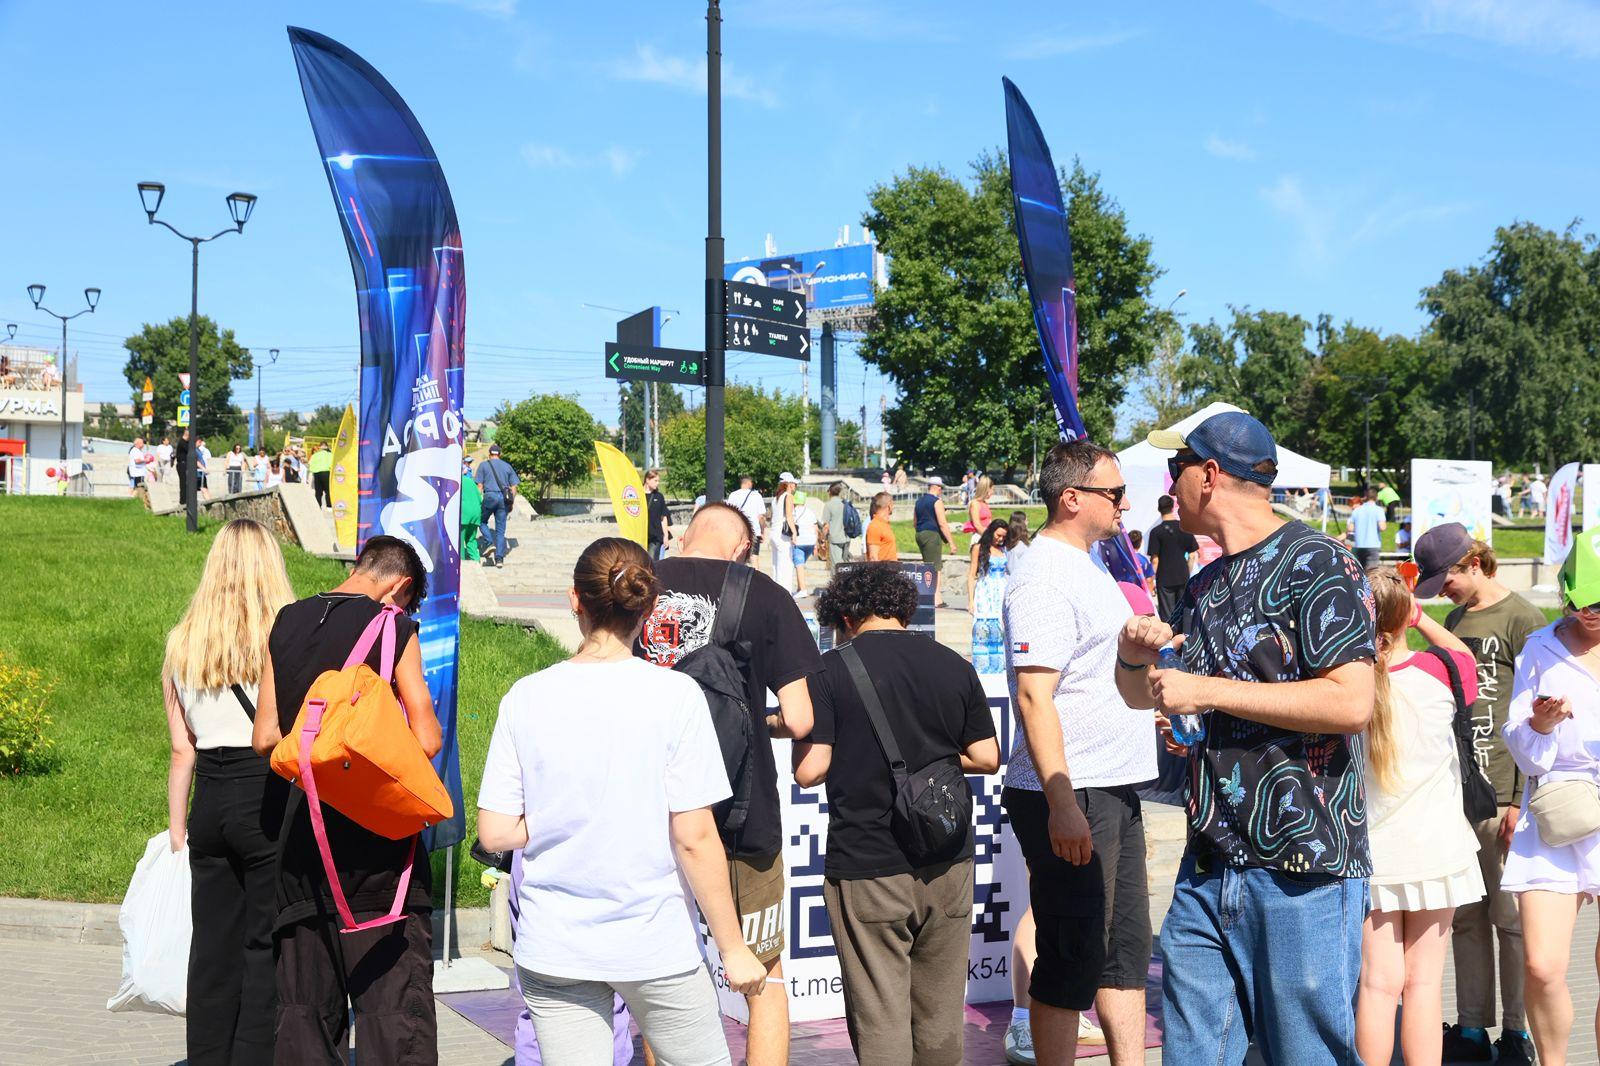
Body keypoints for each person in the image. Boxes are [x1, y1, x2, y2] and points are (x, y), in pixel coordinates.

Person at [1119, 410, 1377, 1064]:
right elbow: (1143, 698)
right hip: (1208, 864)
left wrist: (1206, 691)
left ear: (1209, 475)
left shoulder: (1318, 562)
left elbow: (1352, 702)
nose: (1169, 484)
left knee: (1305, 1055)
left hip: (1303, 868)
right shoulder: (1204, 585)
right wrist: (1134, 657)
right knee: (1191, 1054)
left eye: (1178, 469)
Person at [477, 537, 767, 1064]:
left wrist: (550, 818)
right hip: (654, 939)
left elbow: (496, 832)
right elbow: (695, 836)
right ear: (650, 609)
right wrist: (732, 948)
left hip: (555, 941)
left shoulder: (526, 696)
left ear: (574, 600)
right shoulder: (675, 696)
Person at [635, 502, 821, 1066]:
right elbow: (800, 718)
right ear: (743, 545)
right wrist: (755, 719)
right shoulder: (764, 595)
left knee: (659, 974)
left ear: (684, 533)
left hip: (647, 808)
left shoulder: (634, 584)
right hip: (742, 812)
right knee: (763, 973)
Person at [793, 563, 1000, 1065]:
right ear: (905, 609)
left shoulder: (829, 670)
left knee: (879, 1010)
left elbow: (810, 771)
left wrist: (798, 733)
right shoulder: (954, 665)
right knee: (940, 1010)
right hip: (947, 859)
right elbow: (988, 756)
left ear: (844, 614)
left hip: (868, 863)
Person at [250, 536, 444, 1064]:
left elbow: (266, 736)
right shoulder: (392, 625)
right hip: (378, 852)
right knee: (393, 1019)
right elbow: (426, 739)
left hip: (302, 851)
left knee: (304, 1020)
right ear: (399, 587)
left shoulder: (285, 621)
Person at [1003, 439, 1155, 1064]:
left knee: (1122, 953)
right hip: (1070, 790)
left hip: (1111, 784)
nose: (1126, 504)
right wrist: (1063, 804)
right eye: (1115, 493)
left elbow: (1097, 676)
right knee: (1072, 955)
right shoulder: (1041, 575)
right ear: (1072, 499)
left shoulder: (1088, 563)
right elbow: (1033, 698)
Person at [163, 519, 295, 1066]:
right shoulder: (286, 637)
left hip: (209, 803)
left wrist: (178, 830)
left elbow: (181, 749)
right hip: (266, 794)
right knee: (265, 944)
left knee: (211, 950)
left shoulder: (183, 643)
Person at [1422, 525, 1545, 1063]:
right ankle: (1473, 1027)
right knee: (1466, 917)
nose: (1440, 590)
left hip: (1503, 796)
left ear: (1473, 561)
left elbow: (1541, 718)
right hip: (1458, 794)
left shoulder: (1523, 619)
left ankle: (1516, 1031)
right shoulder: (1452, 621)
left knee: (1510, 919)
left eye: (1445, 576)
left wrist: (1522, 798)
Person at [1355, 566, 1486, 1066]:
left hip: (1371, 854)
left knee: (1377, 984)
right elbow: (1463, 654)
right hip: (1437, 850)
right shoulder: (1444, 672)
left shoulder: (1345, 684)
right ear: (1406, 615)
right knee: (1424, 982)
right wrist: (1420, 615)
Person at [1499, 538, 1600, 1065]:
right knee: (1541, 964)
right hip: (1556, 807)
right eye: (1583, 606)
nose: (1592, 617)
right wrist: (1539, 725)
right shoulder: (1540, 646)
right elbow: (1522, 744)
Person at [966, 518, 1011, 675]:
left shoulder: (1004, 550)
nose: (1000, 539)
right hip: (985, 591)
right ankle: (982, 667)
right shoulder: (979, 548)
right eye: (998, 535)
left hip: (1001, 590)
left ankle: (1000, 667)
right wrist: (971, 600)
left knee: (1001, 628)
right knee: (984, 628)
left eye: (1003, 536)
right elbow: (972, 575)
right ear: (991, 532)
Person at [1145, 495, 1196, 622]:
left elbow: (1155, 559)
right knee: (1184, 612)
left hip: (1164, 577)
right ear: (1173, 508)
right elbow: (1192, 555)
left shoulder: (1156, 532)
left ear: (1159, 509)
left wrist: (1152, 578)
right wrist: (1187, 572)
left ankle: (1169, 640)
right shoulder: (1185, 528)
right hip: (1183, 575)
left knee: (1168, 616)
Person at [914, 476, 956, 608]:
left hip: (920, 534)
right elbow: (942, 523)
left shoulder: (919, 501)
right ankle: (936, 598)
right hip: (932, 535)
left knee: (928, 565)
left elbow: (915, 522)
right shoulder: (936, 501)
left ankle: (929, 596)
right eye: (941, 488)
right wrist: (951, 542)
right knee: (935, 567)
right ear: (937, 487)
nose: (941, 490)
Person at [476, 443, 520, 567]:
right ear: (499, 454)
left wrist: (477, 502)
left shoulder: (484, 465)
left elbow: (479, 486)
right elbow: (514, 486)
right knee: (500, 530)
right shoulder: (507, 466)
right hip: (503, 499)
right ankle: (499, 559)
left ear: (490, 454)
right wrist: (511, 502)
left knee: (480, 520)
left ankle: (489, 542)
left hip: (489, 497)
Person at [769, 471, 799, 594]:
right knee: (786, 566)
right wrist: (794, 532)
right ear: (789, 484)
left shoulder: (776, 498)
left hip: (774, 533)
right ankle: (785, 594)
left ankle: (775, 593)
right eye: (794, 483)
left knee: (776, 565)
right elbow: (789, 516)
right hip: (783, 536)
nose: (795, 486)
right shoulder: (788, 496)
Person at [728, 475, 766, 563]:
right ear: (748, 483)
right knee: (754, 558)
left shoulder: (733, 495)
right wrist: (762, 531)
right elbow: (761, 517)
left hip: (737, 532)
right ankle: (754, 576)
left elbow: (730, 514)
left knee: (737, 556)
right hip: (753, 531)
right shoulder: (756, 496)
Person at [1349, 486, 1387, 569]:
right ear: (1376, 497)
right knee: (1371, 572)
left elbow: (1350, 528)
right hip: (1373, 545)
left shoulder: (1357, 510)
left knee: (1359, 571)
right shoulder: (1379, 510)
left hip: (1358, 544)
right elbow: (1382, 527)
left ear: (1365, 497)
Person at [821, 481, 854, 573]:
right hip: (846, 538)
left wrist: (823, 540)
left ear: (830, 492)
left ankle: (837, 585)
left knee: (836, 566)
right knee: (845, 565)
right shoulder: (846, 504)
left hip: (835, 539)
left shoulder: (829, 505)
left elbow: (826, 525)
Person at [791, 490, 819, 598]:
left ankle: (803, 589)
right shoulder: (810, 512)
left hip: (799, 541)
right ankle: (799, 588)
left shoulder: (793, 512)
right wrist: (815, 545)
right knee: (801, 565)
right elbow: (816, 529)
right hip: (811, 542)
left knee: (799, 565)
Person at [644, 468, 671, 561]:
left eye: (658, 481)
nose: (658, 483)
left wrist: (666, 536)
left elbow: (663, 517)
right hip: (641, 535)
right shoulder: (638, 495)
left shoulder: (659, 497)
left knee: (651, 561)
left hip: (655, 536)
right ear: (647, 480)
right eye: (655, 480)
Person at [460, 457, 484, 564]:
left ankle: (461, 562)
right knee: (471, 540)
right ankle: (476, 560)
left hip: (464, 515)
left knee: (459, 541)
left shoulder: (456, 482)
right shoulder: (470, 481)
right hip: (475, 514)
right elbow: (480, 498)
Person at [866, 491, 897, 562]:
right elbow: (873, 558)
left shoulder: (884, 524)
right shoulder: (875, 526)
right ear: (889, 506)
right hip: (883, 571)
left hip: (891, 571)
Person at [308, 443, 332, 508]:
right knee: (328, 490)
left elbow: (310, 463)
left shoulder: (315, 455)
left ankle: (318, 505)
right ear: (327, 447)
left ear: (320, 448)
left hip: (317, 473)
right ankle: (329, 506)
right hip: (327, 472)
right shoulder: (330, 455)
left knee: (318, 491)